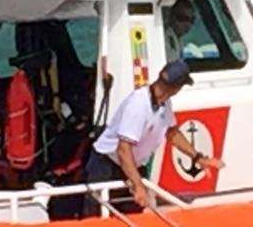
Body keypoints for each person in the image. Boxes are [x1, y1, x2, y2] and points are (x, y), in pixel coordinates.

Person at [84, 59, 223, 215]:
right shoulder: (138, 104)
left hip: (132, 166)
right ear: (176, 88)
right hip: (107, 166)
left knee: (134, 215)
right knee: (98, 217)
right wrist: (138, 185)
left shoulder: (164, 103)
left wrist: (198, 157)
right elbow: (123, 150)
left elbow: (172, 132)